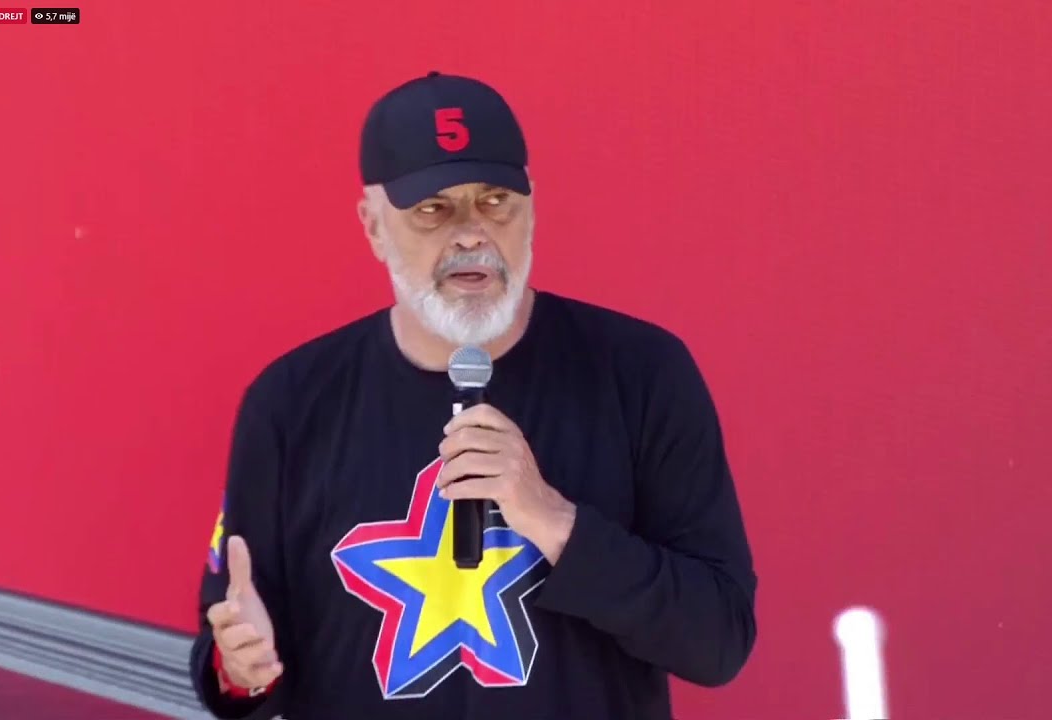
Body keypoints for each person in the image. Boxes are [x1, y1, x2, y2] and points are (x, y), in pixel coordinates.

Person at [188, 71, 757, 720]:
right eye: (433, 209)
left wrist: (556, 522)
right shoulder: (290, 405)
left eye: (495, 201)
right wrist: (240, 671)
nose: (469, 234)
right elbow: (233, 663)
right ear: (373, 225)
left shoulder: (642, 374)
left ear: (532, 208)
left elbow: (719, 642)